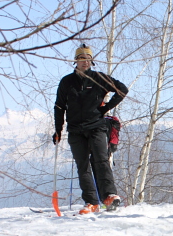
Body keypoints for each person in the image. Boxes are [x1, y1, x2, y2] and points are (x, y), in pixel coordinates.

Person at [53, 44, 128, 214]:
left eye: (87, 59)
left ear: (91, 61)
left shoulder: (99, 78)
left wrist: (106, 108)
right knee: (83, 165)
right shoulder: (67, 81)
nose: (84, 62)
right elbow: (59, 106)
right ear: (76, 61)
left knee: (101, 160)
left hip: (96, 127)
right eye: (81, 59)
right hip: (75, 129)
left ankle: (109, 196)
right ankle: (91, 202)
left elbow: (122, 90)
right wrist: (58, 130)